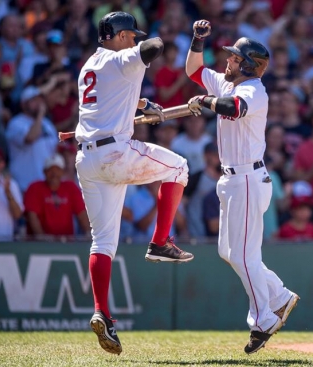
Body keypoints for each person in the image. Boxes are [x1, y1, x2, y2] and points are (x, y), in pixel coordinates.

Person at [74, 12, 193, 355]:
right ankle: (160, 242)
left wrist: (143, 104)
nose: (134, 40)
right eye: (131, 35)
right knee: (179, 168)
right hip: (116, 153)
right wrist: (155, 39)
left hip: (87, 158)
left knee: (103, 241)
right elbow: (154, 47)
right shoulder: (123, 56)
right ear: (122, 35)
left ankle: (102, 312)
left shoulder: (89, 66)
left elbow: (115, 93)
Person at [185, 20, 299, 354]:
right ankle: (279, 295)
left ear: (248, 64)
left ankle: (263, 318)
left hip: (248, 178)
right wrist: (197, 39)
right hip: (232, 178)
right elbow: (194, 70)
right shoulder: (227, 82)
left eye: (235, 58)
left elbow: (234, 108)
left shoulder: (254, 90)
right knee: (229, 252)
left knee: (246, 255)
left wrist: (205, 102)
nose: (229, 61)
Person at [24, 153, 90, 238]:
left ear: (62, 172)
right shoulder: (35, 188)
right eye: (50, 170)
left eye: (57, 169)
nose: (54, 173)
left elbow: (82, 214)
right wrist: (42, 240)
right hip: (40, 245)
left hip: (67, 243)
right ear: (44, 172)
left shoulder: (71, 187)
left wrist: (89, 235)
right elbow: (32, 216)